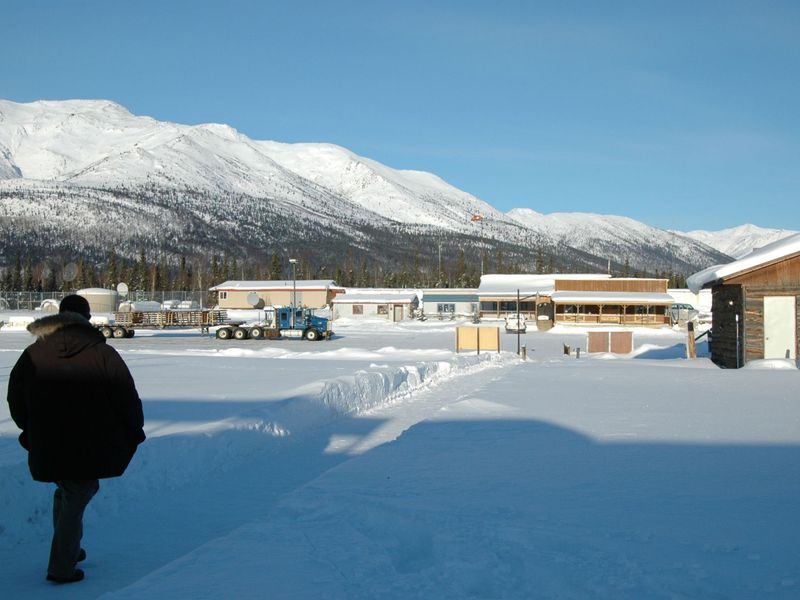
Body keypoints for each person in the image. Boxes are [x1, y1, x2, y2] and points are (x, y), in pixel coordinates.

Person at [7, 294, 145, 584]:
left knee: (70, 491)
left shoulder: (34, 354)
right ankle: (61, 567)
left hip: (48, 441)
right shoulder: (102, 353)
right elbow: (126, 397)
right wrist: (134, 429)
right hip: (90, 441)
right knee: (78, 493)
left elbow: (15, 397)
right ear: (87, 318)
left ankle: (69, 547)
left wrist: (30, 429)